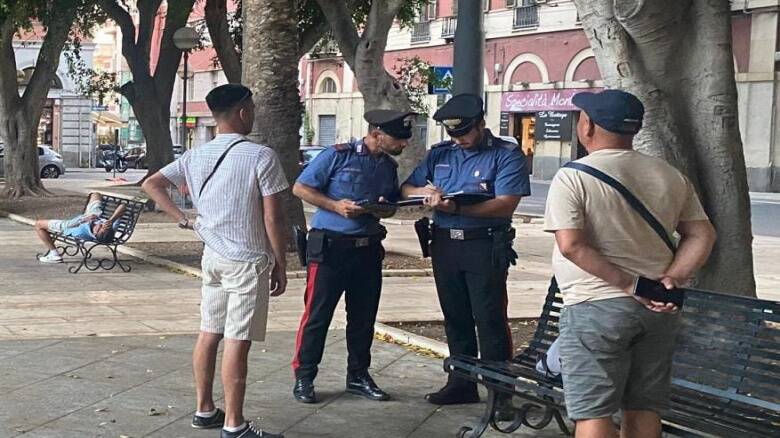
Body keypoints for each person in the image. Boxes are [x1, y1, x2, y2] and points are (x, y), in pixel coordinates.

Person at [544, 89, 717, 438]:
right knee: (644, 406)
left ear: (587, 126)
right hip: (658, 309)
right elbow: (702, 235)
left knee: (594, 412)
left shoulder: (573, 176)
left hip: (595, 306)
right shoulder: (668, 174)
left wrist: (628, 284)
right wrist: (672, 278)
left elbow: (572, 246)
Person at [142, 84, 289, 438]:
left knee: (210, 333)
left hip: (213, 257)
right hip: (247, 260)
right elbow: (273, 217)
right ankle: (234, 424)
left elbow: (152, 183)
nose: (252, 114)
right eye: (251, 108)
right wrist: (280, 261)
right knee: (238, 341)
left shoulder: (196, 155)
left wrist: (181, 218)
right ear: (241, 112)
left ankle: (205, 409)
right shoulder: (260, 156)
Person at [401, 94, 531, 407]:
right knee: (455, 316)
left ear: (481, 124)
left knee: (489, 318)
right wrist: (426, 193)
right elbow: (406, 188)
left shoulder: (505, 154)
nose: (459, 140)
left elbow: (505, 204)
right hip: (445, 243)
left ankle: (500, 394)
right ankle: (461, 383)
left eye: (464, 133)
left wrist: (457, 207)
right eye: (453, 134)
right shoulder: (441, 153)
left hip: (483, 244)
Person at [290, 109, 412, 404]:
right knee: (317, 316)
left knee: (363, 317)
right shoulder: (337, 155)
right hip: (331, 248)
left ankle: (358, 374)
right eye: (397, 138)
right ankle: (304, 376)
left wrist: (383, 209)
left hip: (367, 249)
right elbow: (300, 187)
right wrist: (335, 206)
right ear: (376, 134)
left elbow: (391, 205)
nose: (403, 144)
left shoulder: (387, 166)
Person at [35, 192, 125, 263]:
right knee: (95, 194)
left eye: (99, 227)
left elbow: (67, 227)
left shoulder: (81, 232)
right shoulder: (110, 229)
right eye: (103, 225)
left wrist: (83, 220)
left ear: (94, 233)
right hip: (94, 214)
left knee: (39, 225)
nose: (101, 224)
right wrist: (112, 220)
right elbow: (123, 206)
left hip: (73, 224)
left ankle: (54, 254)